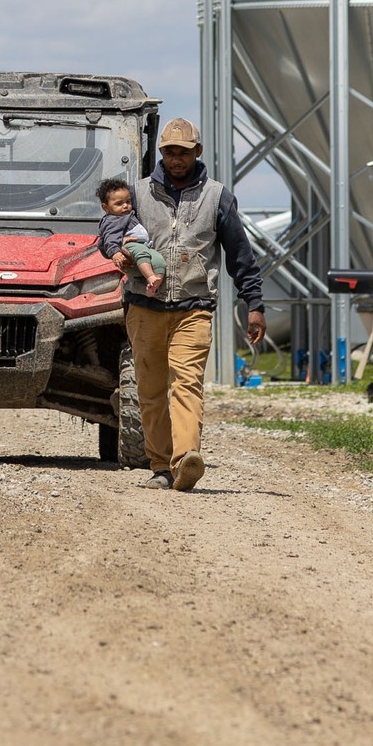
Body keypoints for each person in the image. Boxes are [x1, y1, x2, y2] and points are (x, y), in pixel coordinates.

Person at [117, 118, 265, 492]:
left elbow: (240, 255)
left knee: (187, 383)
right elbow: (109, 233)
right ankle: (160, 467)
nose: (176, 159)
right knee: (150, 392)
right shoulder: (137, 194)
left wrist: (255, 303)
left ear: (197, 152)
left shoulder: (217, 197)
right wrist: (116, 254)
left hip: (193, 307)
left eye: (183, 152)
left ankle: (185, 460)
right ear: (161, 154)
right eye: (169, 152)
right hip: (144, 306)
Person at [95, 177, 165, 296]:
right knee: (141, 252)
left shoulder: (128, 214)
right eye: (119, 203)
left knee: (159, 260)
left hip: (143, 245)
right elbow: (109, 239)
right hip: (130, 245)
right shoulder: (112, 220)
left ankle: (154, 286)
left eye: (128, 202)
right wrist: (115, 253)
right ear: (105, 207)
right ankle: (150, 277)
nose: (125, 206)